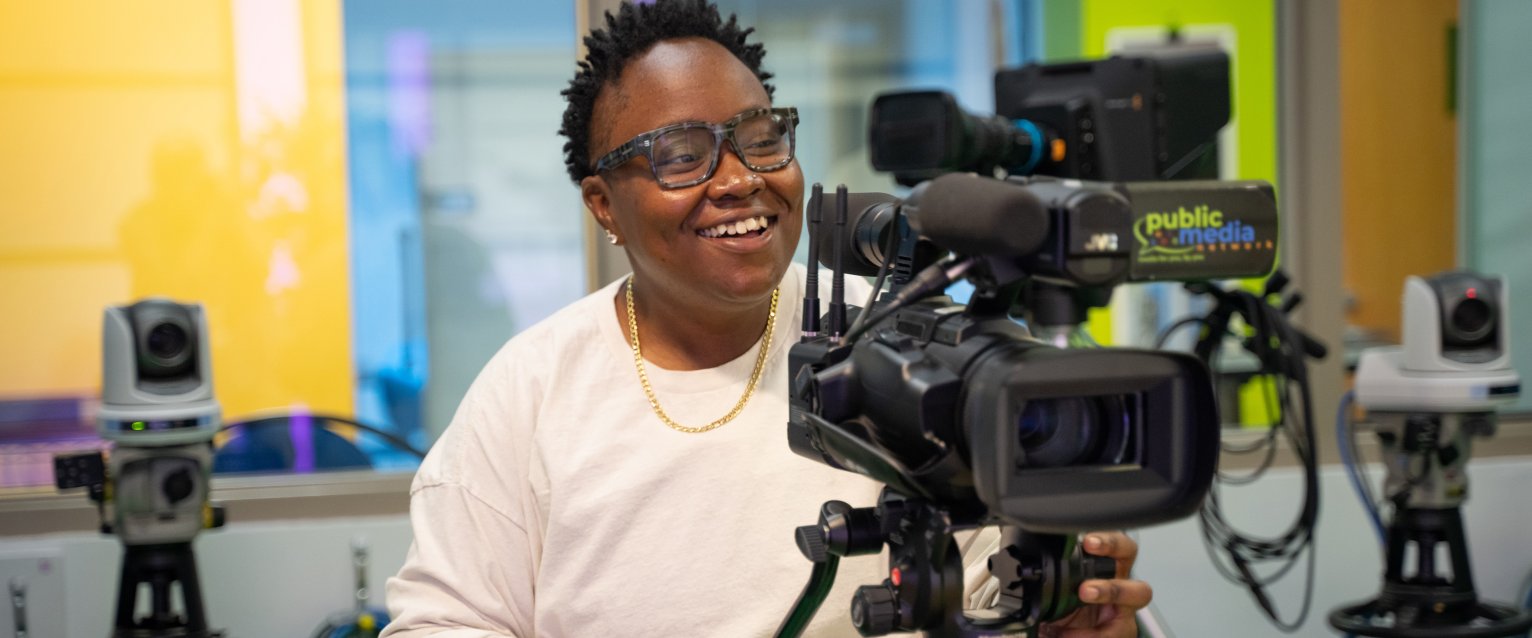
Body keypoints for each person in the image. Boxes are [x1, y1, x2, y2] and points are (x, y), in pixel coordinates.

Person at [382, 1, 1151, 636]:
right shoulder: (533, 391)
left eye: (761, 139)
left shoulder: (907, 338)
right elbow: (443, 621)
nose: (742, 180)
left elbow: (1009, 591)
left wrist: (1073, 618)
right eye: (681, 156)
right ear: (602, 205)